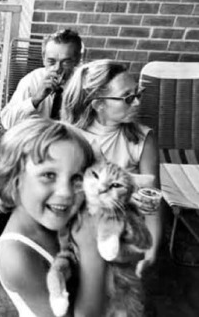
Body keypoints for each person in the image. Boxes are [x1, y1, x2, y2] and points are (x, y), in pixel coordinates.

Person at [0, 117, 106, 317]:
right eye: (49, 175)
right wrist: (92, 251)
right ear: (13, 180)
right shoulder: (16, 255)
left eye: (76, 178)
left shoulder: (64, 219)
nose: (66, 192)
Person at [61, 59, 162, 276]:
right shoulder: (71, 137)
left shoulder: (143, 139)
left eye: (137, 94)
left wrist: (151, 250)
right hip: (76, 231)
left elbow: (152, 200)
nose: (136, 103)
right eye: (128, 97)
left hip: (121, 233)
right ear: (98, 105)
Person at [0, 29, 83, 243]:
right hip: (34, 146)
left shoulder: (84, 87)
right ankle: (4, 209)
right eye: (51, 61)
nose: (57, 69)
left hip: (69, 149)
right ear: (43, 59)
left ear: (78, 60)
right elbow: (7, 120)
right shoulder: (32, 81)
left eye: (66, 62)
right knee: (11, 159)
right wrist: (36, 99)